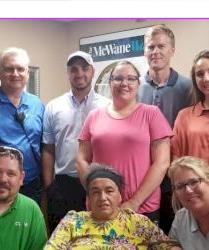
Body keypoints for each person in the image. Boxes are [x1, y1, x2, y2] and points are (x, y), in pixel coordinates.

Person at [77, 61, 172, 223]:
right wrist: (96, 193)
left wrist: (134, 202)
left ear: (138, 83)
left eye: (130, 79)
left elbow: (162, 163)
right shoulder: (94, 116)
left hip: (142, 208)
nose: (124, 83)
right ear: (110, 82)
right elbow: (81, 160)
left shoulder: (151, 114)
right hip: (101, 208)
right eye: (118, 78)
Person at [42, 51, 109, 232]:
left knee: (94, 237)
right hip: (62, 185)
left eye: (85, 68)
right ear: (68, 73)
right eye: (74, 69)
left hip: (96, 182)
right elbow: (48, 148)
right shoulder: (53, 107)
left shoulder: (107, 106)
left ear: (92, 71)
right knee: (61, 238)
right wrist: (49, 185)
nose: (79, 73)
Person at [44, 164, 181, 250]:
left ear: (120, 196)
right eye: (95, 192)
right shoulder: (74, 221)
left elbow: (168, 245)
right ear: (89, 198)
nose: (103, 197)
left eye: (109, 191)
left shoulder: (137, 222)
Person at [137, 24, 192, 233]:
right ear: (144, 51)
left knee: (175, 229)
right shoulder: (134, 85)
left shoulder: (187, 88)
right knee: (146, 231)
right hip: (142, 172)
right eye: (150, 47)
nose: (155, 52)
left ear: (172, 50)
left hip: (173, 174)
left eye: (161, 46)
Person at [0, 47, 44, 204]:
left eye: (20, 69)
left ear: (27, 73)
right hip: (0, 182)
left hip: (32, 182)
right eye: (9, 69)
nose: (15, 73)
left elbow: (45, 144)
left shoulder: (37, 104)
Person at [172, 50, 209, 164]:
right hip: (192, 181)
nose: (206, 78)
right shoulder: (184, 116)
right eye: (200, 74)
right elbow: (175, 161)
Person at [168, 156, 209, 250]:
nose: (188, 190)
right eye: (180, 186)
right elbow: (172, 244)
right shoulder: (181, 218)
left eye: (194, 182)